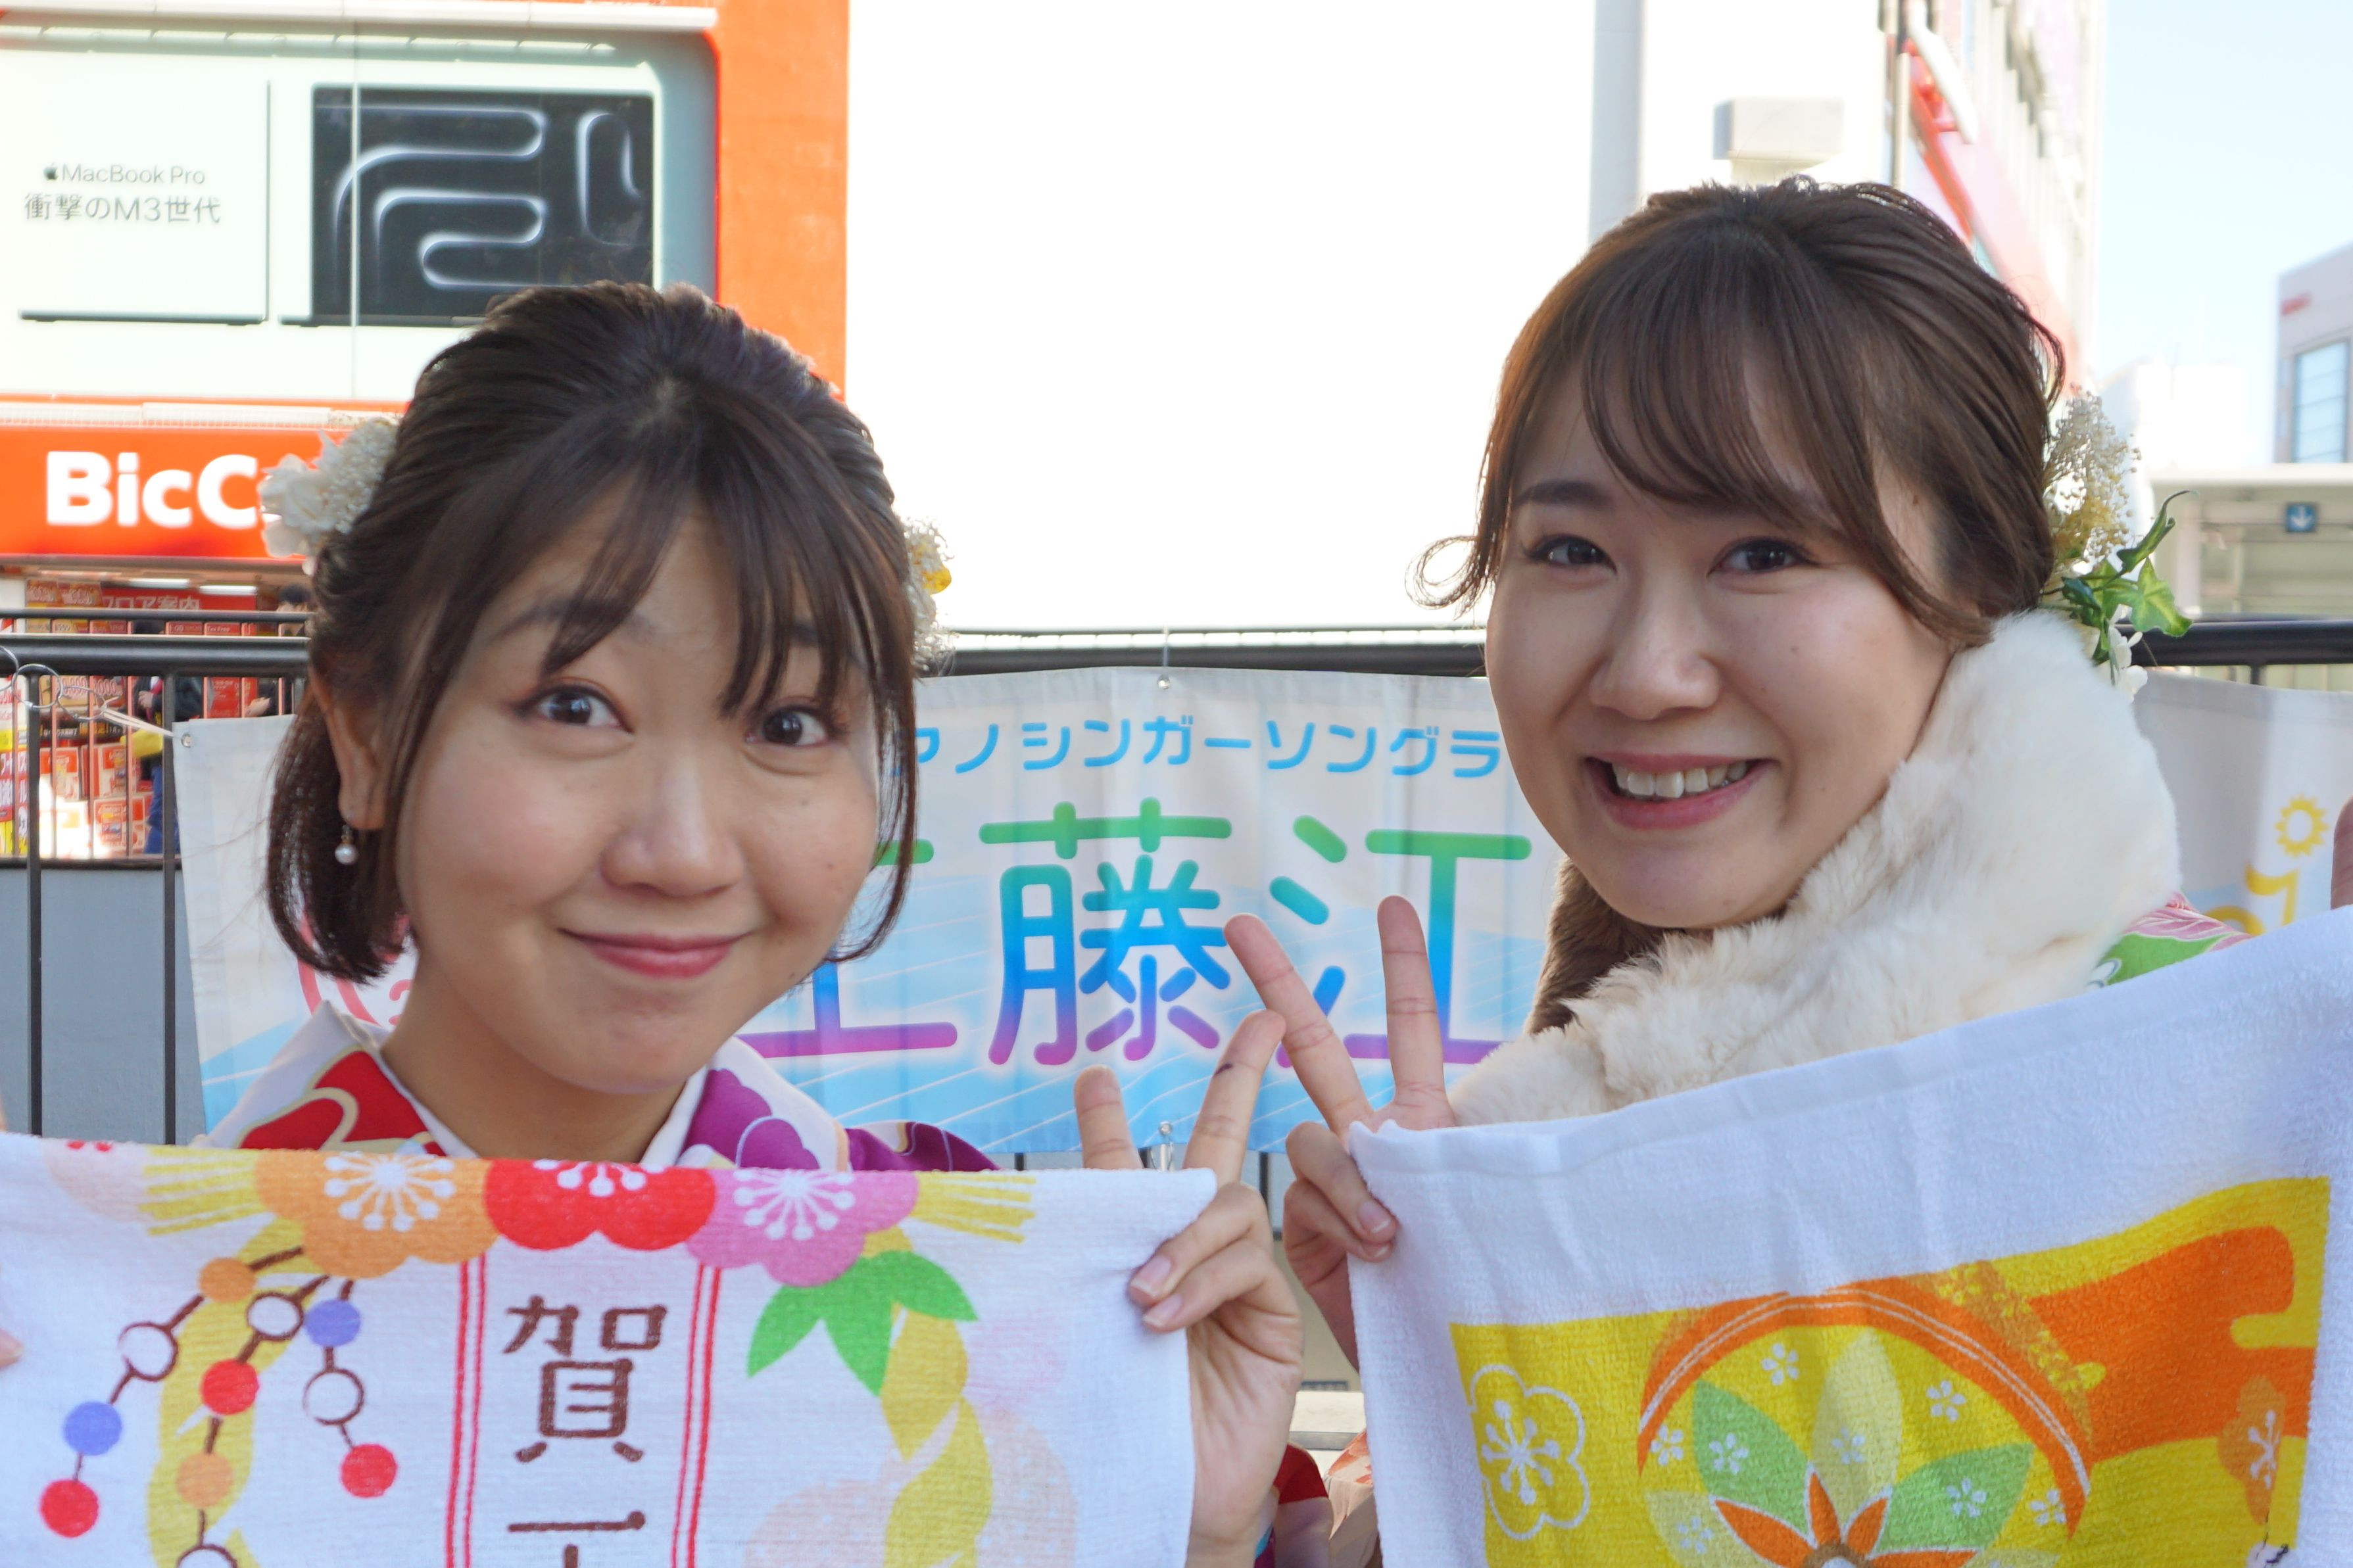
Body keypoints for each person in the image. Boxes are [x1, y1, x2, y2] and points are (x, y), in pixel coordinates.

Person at [1, 282, 1300, 1565]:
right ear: (367, 733)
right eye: (573, 705)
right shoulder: (84, 1336)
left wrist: (1166, 1518)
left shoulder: (980, 1275)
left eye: (789, 722)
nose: (682, 850)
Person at [1219, 180, 2277, 1558]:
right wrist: (1452, 1395)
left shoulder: (2223, 1083)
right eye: (1570, 549)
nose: (1646, 671)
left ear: (1978, 590)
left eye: (1763, 551)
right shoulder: (1531, 1135)